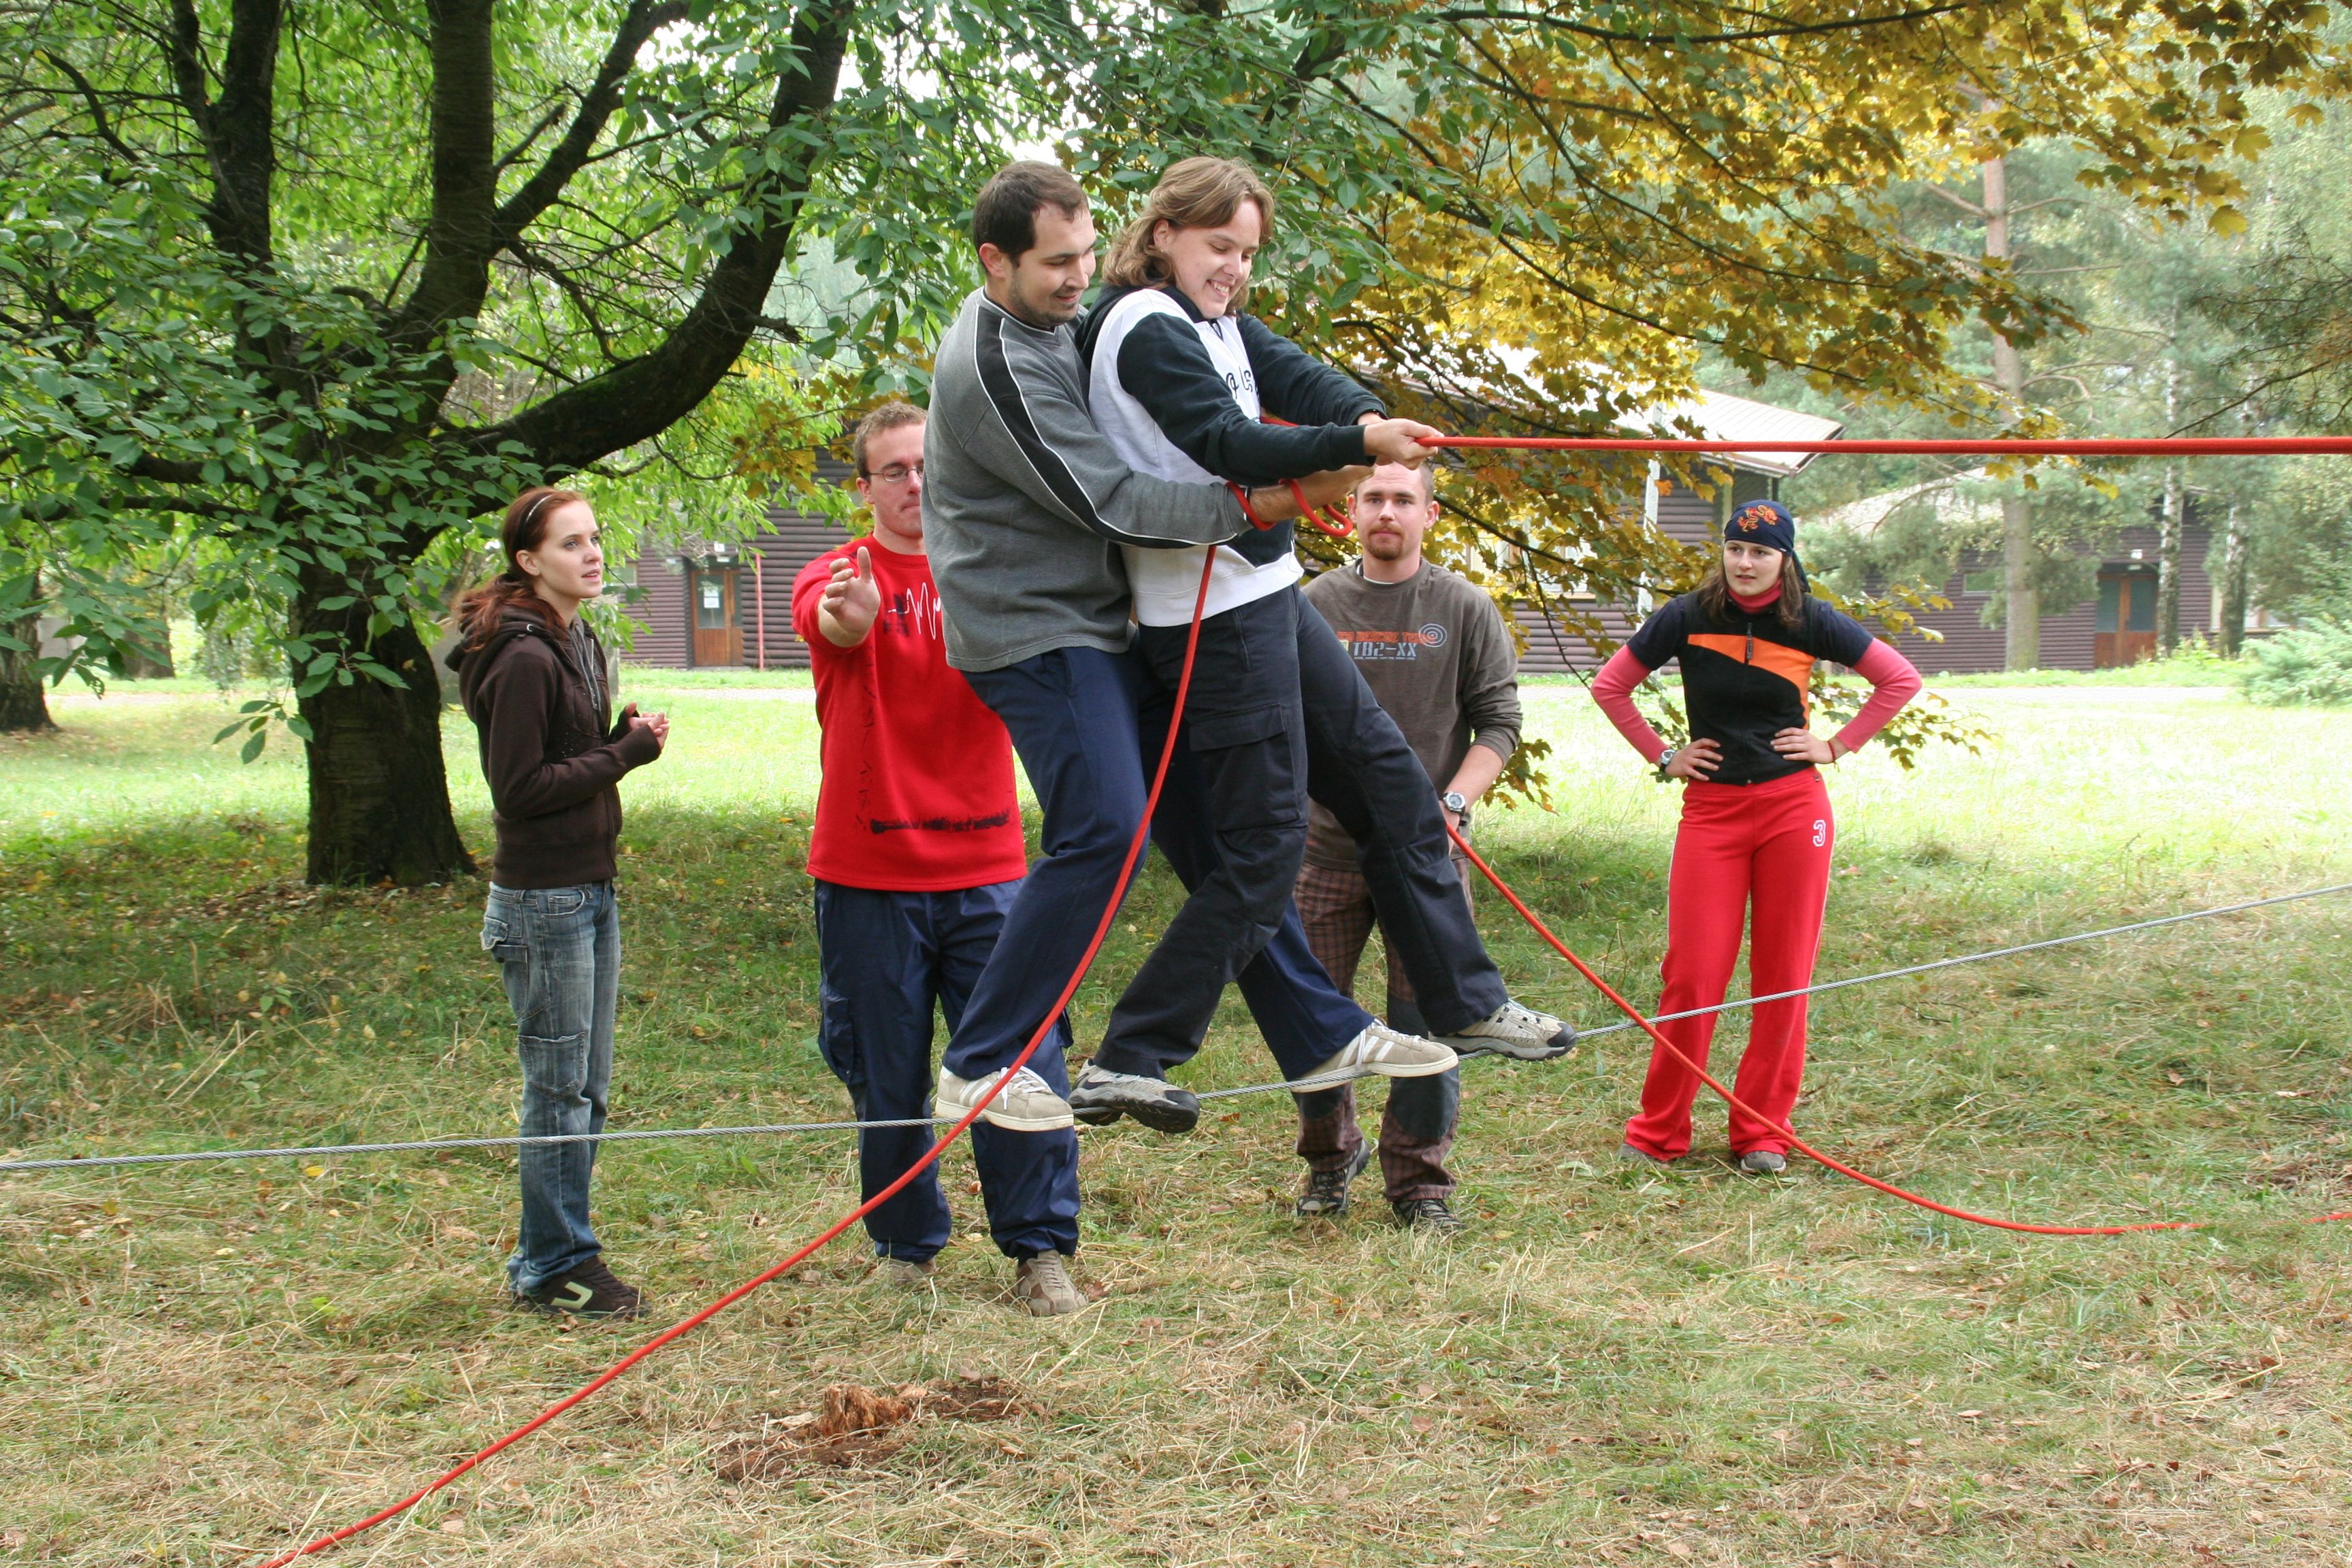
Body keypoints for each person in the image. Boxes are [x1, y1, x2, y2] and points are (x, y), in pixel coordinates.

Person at [1063, 155, 1572, 1143]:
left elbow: (1293, 372)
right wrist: (1355, 450)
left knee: (1395, 788)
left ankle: (1464, 1001)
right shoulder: (1142, 326)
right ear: (1163, 234)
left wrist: (1369, 417)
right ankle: (1132, 1054)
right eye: (1219, 247)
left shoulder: (1210, 320)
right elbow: (1230, 442)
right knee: (1264, 854)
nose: (1234, 270)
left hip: (1265, 596)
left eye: (1248, 253)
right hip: (1209, 622)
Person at [921, 161, 1417, 1148]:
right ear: (994, 260)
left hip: (1114, 619)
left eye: (1082, 254)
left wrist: (1349, 426)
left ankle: (1320, 1032)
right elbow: (1112, 499)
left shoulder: (1069, 320)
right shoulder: (992, 364)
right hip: (1037, 628)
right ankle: (984, 1061)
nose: (1077, 278)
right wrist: (1266, 503)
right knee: (1105, 827)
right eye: (1054, 264)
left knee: (1215, 845)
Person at [791, 401, 1086, 1316]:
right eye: (894, 470)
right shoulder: (838, 574)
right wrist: (854, 617)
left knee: (1020, 1067)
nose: (915, 483)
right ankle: (905, 1247)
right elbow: (831, 623)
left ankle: (1040, 1250)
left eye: (927, 464)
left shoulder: (995, 573)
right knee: (884, 1072)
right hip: (867, 877)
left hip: (991, 874)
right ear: (865, 487)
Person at [1590, 500, 1923, 1173]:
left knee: (1783, 975)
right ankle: (1659, 1130)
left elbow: (1898, 679)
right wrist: (1664, 755)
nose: (1745, 563)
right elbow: (1611, 686)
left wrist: (1835, 746)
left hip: (1793, 810)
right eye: (1736, 549)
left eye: (1761, 552)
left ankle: (1763, 1132)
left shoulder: (1811, 620)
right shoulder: (1685, 615)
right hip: (1711, 813)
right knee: (1692, 975)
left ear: (1784, 558)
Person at [1290, 460, 1526, 1233]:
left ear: (1429, 514)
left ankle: (1420, 1184)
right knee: (1313, 1021)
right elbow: (1281, 716)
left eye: (1403, 499)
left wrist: (1453, 803)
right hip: (1325, 852)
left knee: (1429, 1025)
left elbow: (1499, 723)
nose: (1386, 511)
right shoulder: (1313, 605)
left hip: (1428, 857)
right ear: (1351, 511)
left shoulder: (1463, 607)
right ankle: (1330, 1160)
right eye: (1373, 498)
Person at [450, 487, 669, 1319]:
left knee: (585, 1091)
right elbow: (519, 788)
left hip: (587, 886)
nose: (592, 553)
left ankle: (553, 1254)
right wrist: (625, 755)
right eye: (570, 543)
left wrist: (614, 738)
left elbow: (561, 758)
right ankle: (553, 1267)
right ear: (528, 560)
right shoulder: (524, 656)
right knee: (558, 1094)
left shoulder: (570, 638)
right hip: (545, 902)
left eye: (595, 537)